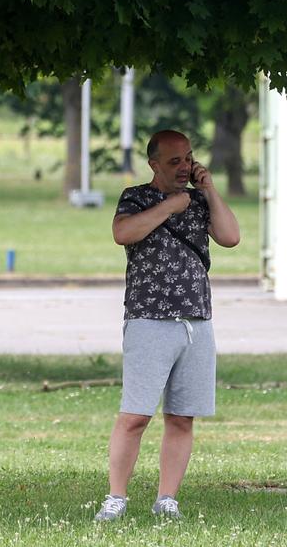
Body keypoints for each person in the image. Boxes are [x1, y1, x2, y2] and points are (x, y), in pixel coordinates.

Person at [94, 129, 240, 522]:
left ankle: (167, 498)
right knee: (135, 415)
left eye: (188, 158)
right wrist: (169, 207)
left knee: (181, 416)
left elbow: (230, 237)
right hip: (149, 318)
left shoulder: (199, 200)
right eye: (174, 161)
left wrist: (207, 190)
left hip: (195, 319)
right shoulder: (136, 197)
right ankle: (117, 498)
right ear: (154, 164)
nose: (184, 167)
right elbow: (123, 232)